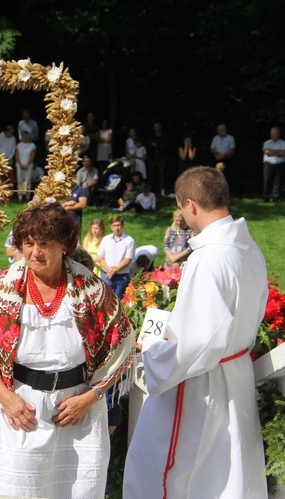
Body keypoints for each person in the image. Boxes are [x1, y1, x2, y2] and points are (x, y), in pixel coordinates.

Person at [0, 203, 133, 498]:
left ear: (64, 245)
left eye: (45, 244)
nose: (35, 253)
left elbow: (124, 348)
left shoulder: (92, 290)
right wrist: (7, 399)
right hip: (18, 412)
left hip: (76, 415)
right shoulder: (2, 288)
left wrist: (90, 397)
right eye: (28, 244)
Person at [124, 167, 268, 497]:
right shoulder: (248, 248)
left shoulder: (210, 257)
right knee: (228, 473)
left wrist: (152, 352)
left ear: (190, 205)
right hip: (235, 370)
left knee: (166, 471)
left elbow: (197, 343)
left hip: (202, 384)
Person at [95, 215, 135, 299]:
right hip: (106, 275)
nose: (117, 228)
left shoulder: (129, 240)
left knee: (119, 300)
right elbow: (101, 257)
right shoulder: (106, 239)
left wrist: (114, 270)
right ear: (111, 227)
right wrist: (109, 270)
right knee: (104, 299)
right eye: (114, 225)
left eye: (118, 225)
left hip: (121, 276)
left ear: (122, 225)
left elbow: (128, 259)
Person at [262, 126, 285, 202]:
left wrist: (272, 152)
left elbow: (283, 153)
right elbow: (267, 152)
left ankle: (276, 197)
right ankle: (266, 197)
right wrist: (278, 151)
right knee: (267, 181)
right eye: (273, 134)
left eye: (276, 134)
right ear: (270, 134)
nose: (274, 135)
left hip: (280, 165)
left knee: (277, 182)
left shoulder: (283, 143)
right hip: (268, 164)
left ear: (278, 134)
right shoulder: (267, 142)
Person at [14, 131, 36, 202]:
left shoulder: (32, 145)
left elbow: (32, 155)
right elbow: (17, 155)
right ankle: (20, 196)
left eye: (25, 136)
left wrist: (27, 164)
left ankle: (27, 197)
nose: (24, 137)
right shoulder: (19, 145)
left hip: (28, 165)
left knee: (27, 181)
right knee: (20, 180)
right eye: (22, 136)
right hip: (19, 165)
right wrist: (20, 164)